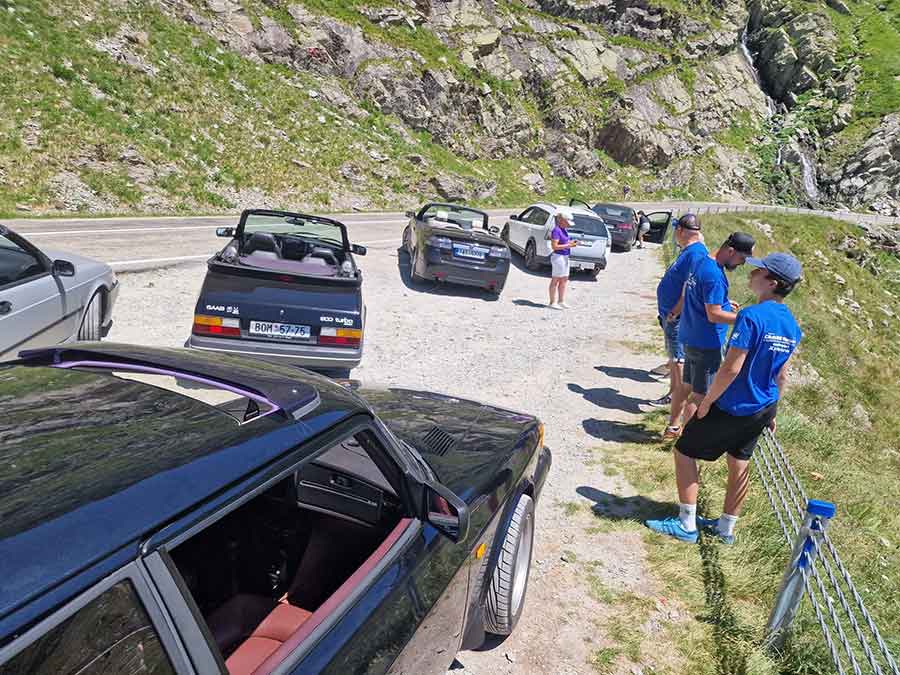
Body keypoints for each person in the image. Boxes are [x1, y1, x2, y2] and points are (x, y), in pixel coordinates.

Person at [645, 252, 803, 543]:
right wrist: (774, 413)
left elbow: (731, 368)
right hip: (763, 406)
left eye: (759, 273)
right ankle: (726, 530)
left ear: (772, 283)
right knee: (739, 463)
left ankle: (687, 524)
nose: (751, 275)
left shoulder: (751, 316)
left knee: (684, 452)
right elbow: (782, 376)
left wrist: (706, 402)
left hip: (733, 404)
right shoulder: (792, 325)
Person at [676, 231, 756, 430]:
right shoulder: (715, 276)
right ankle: (687, 444)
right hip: (706, 344)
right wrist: (745, 318)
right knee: (699, 395)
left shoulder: (703, 261)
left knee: (688, 386)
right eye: (742, 258)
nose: (741, 264)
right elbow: (714, 315)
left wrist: (725, 303)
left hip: (691, 335)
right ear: (730, 251)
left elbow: (697, 295)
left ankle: (674, 427)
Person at [650, 215, 707, 436]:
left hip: (677, 317)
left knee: (678, 360)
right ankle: (673, 394)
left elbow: (689, 287)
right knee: (674, 360)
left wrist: (676, 311)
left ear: (682, 230)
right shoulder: (688, 251)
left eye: (676, 229)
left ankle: (675, 399)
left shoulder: (695, 254)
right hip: (671, 315)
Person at [548, 208, 579, 310]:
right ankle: (552, 302)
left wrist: (571, 243)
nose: (569, 225)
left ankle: (561, 301)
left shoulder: (564, 230)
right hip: (558, 257)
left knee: (564, 279)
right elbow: (554, 246)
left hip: (565, 256)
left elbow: (565, 242)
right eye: (567, 222)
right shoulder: (556, 230)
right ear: (561, 220)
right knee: (556, 279)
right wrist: (569, 245)